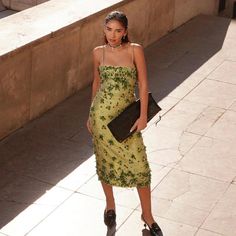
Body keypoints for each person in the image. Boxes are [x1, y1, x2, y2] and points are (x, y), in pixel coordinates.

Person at [86, 10, 163, 236]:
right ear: (104, 30)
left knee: (140, 166)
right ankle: (110, 206)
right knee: (105, 165)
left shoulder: (134, 50)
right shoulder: (97, 53)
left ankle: (147, 216)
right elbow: (96, 83)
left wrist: (142, 117)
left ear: (125, 32)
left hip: (126, 120)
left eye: (118, 30)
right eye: (109, 30)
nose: (113, 35)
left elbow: (143, 83)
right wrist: (90, 115)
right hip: (101, 120)